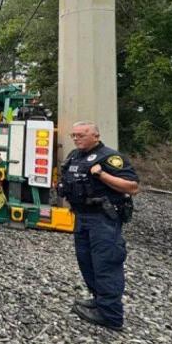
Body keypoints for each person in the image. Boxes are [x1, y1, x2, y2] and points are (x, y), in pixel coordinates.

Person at [58, 121, 139, 331]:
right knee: (87, 262)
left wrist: (102, 175)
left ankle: (111, 315)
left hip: (103, 219)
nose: (76, 139)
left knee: (106, 264)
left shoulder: (110, 157)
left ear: (95, 135)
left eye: (81, 135)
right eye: (74, 135)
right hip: (81, 217)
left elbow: (132, 186)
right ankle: (99, 301)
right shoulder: (75, 156)